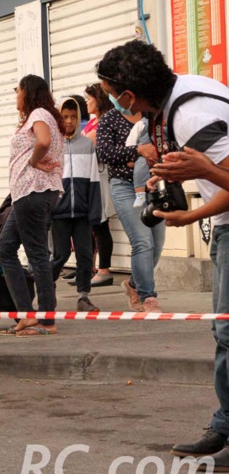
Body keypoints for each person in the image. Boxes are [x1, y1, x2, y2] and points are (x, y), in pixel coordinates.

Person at [97, 40, 229, 468]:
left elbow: (221, 172)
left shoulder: (190, 114)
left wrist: (201, 181)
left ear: (129, 95)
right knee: (225, 333)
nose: (112, 103)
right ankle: (225, 425)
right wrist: (187, 200)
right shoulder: (181, 97)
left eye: (111, 95)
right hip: (224, 224)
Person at [0, 74, 64, 337]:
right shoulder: (42, 115)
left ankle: (46, 320)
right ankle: (27, 314)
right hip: (25, 194)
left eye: (18, 90)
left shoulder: (39, 114)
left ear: (28, 92)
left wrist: (34, 162)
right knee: (4, 249)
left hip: (34, 191)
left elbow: (44, 141)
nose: (16, 95)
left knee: (37, 255)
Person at [95, 76, 164, 313]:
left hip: (153, 187)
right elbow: (105, 153)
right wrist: (138, 151)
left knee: (157, 244)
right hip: (124, 186)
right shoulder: (109, 119)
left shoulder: (151, 115)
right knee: (142, 241)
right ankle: (148, 297)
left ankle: (133, 284)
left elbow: (165, 143)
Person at [50, 97, 101, 312]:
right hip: (58, 212)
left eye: (73, 117)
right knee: (60, 255)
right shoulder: (53, 145)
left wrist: (95, 211)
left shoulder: (87, 144)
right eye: (64, 117)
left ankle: (83, 296)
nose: (69, 121)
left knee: (85, 255)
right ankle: (47, 289)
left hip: (82, 212)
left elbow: (94, 179)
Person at [83, 83, 116, 287]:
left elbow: (83, 145)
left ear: (99, 100)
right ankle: (90, 268)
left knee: (100, 223)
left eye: (89, 99)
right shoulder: (93, 121)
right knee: (93, 225)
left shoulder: (103, 123)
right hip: (90, 176)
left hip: (100, 176)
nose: (87, 103)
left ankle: (104, 270)